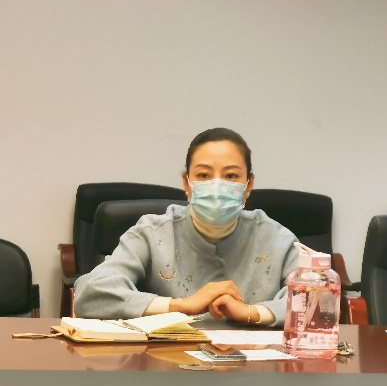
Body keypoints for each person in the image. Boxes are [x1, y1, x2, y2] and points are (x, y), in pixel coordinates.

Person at [74, 127, 298, 326]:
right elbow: (90, 293)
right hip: (165, 359)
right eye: (203, 175)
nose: (216, 186)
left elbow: (313, 299)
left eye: (231, 175)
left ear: (249, 185)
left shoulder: (277, 238)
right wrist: (180, 306)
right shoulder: (152, 233)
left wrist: (252, 312)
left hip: (251, 359)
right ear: (186, 183)